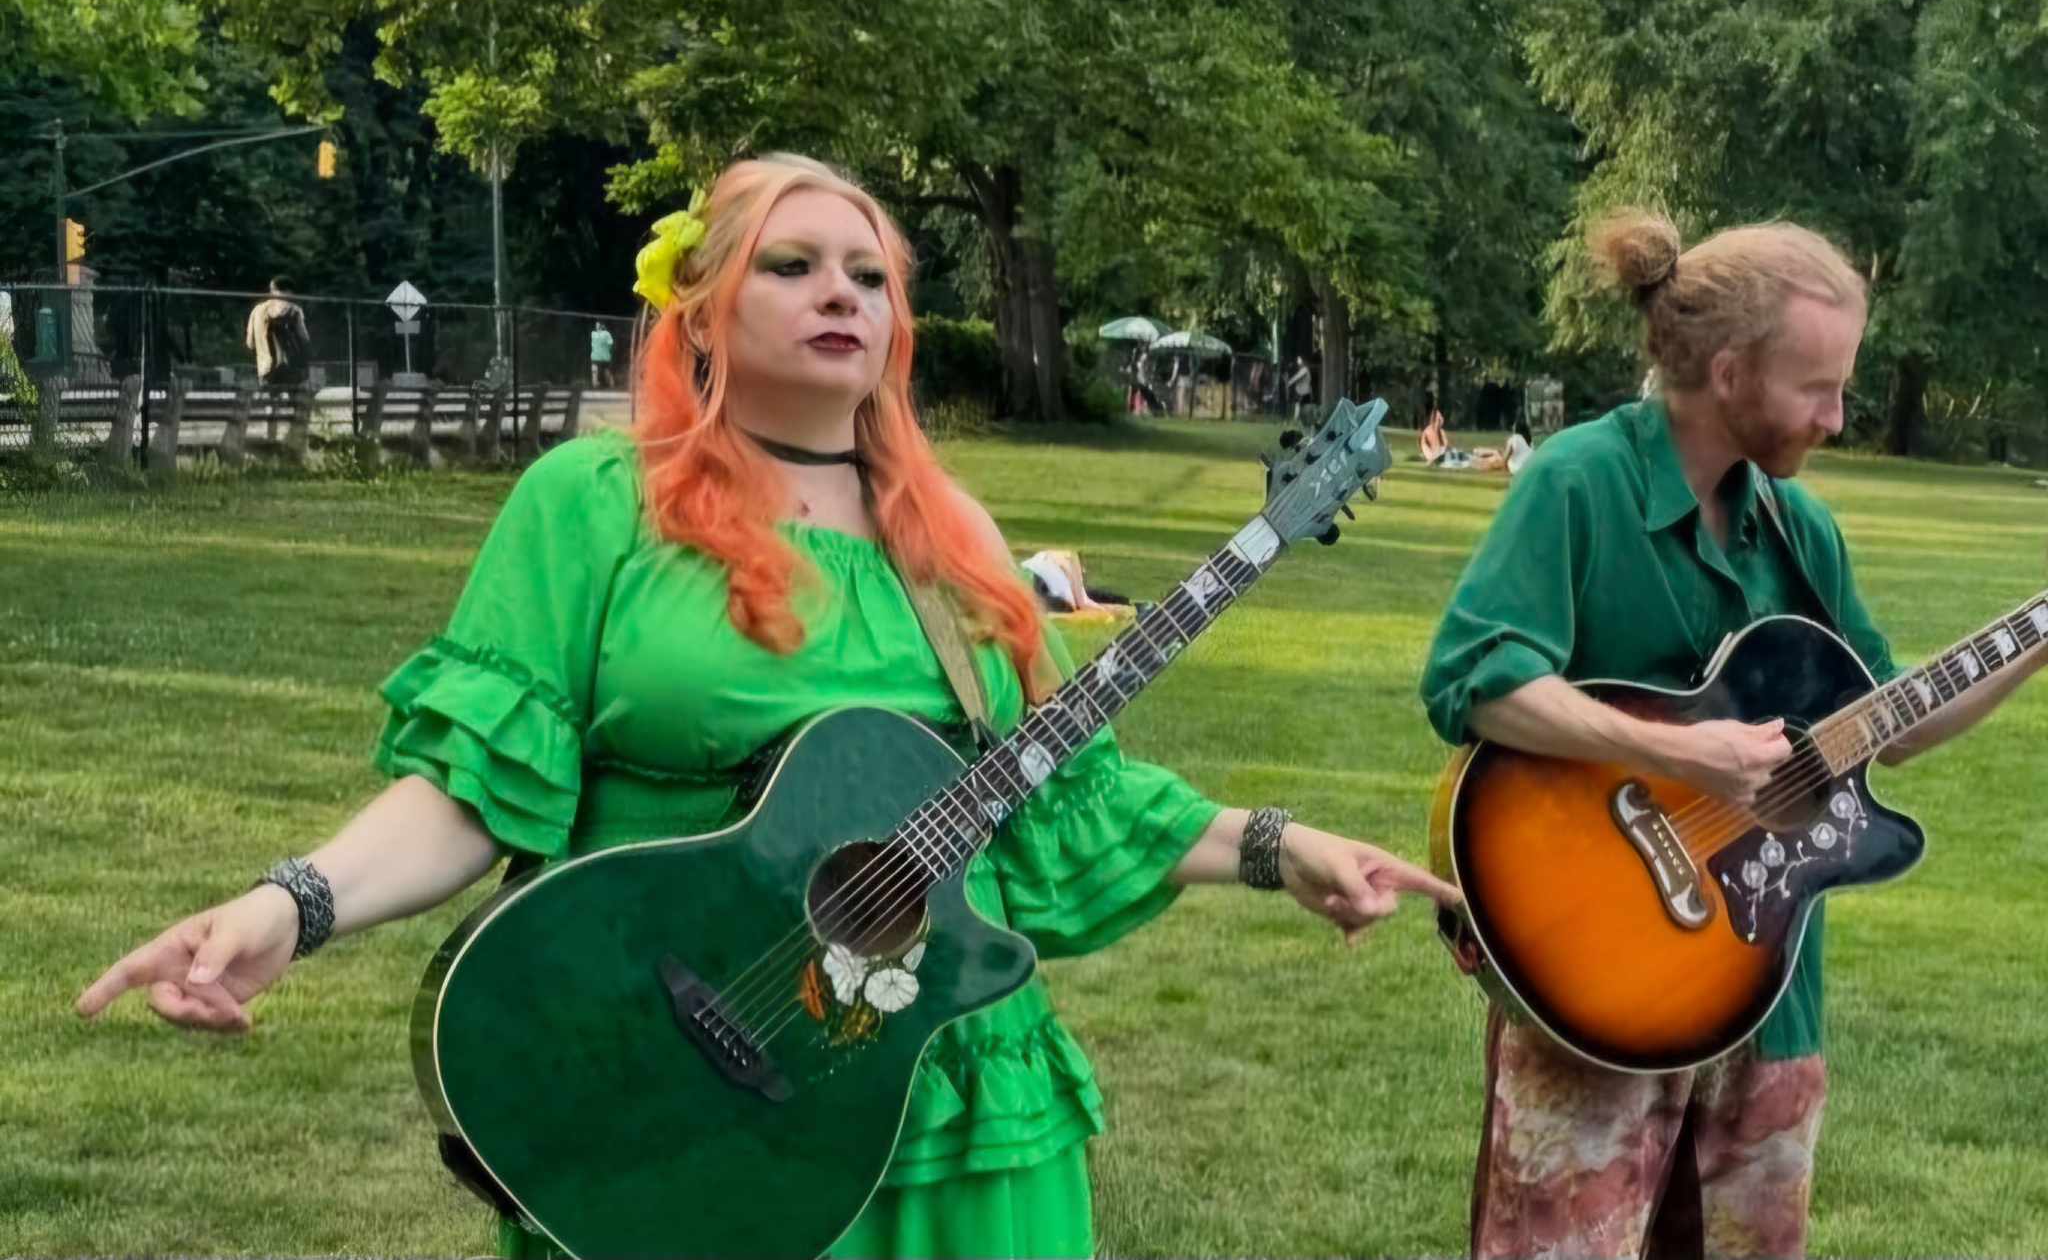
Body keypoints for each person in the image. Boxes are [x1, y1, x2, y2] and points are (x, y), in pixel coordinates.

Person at [79, 153, 1457, 1260]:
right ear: (701, 309)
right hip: (661, 1064)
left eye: (869, 273)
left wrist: (1276, 845)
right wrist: (292, 905)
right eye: (790, 265)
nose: (837, 291)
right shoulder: (596, 503)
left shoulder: (951, 541)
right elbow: (469, 790)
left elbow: (1061, 800)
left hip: (946, 1106)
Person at [1419, 209, 2045, 1260]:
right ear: (1727, 372)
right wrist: (1677, 752)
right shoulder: (1580, 482)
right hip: (1594, 976)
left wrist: (2035, 635)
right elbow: (1474, 681)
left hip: (1767, 997)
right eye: (1817, 388)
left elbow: (1889, 722)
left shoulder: (1802, 530)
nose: (1836, 417)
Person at [243, 279, 311, 388]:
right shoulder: (294, 310)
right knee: (293, 395)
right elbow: (304, 338)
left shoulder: (256, 311)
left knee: (270, 396)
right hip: (290, 366)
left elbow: (250, 343)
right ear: (289, 291)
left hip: (265, 368)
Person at [1468, 419, 1533, 478]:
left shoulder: (1515, 438)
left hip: (1516, 468)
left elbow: (1505, 459)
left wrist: (1504, 470)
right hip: (1526, 468)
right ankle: (1476, 455)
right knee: (1496, 453)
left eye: (1513, 427)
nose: (1512, 428)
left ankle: (1474, 458)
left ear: (1516, 429)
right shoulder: (1529, 441)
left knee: (1495, 458)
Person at [588, 318, 615, 388]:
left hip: (603, 356)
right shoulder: (594, 333)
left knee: (606, 371)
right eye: (596, 325)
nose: (596, 326)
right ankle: (595, 383)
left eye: (598, 325)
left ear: (601, 326)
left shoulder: (605, 334)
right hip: (597, 356)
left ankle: (610, 383)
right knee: (595, 370)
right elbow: (610, 344)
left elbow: (610, 344)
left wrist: (606, 348)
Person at [1287, 355, 1313, 424]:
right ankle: (1297, 419)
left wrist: (1290, 382)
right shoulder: (1302, 370)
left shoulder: (1305, 369)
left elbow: (1298, 377)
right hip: (1301, 391)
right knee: (1298, 405)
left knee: (1303, 406)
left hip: (1304, 391)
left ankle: (1300, 420)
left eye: (1299, 361)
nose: (1298, 363)